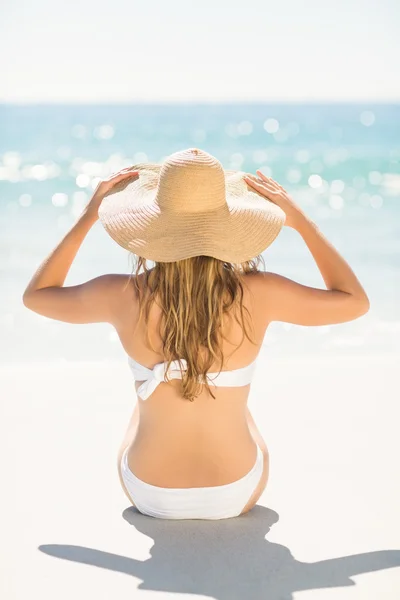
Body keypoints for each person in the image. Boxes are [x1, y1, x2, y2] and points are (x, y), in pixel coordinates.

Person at [22, 148, 369, 520]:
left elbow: (36, 296)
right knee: (236, 406)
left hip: (150, 493)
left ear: (151, 226)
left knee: (144, 403)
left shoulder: (119, 294)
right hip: (235, 492)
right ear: (230, 227)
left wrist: (89, 216)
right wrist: (300, 221)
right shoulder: (261, 293)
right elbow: (354, 301)